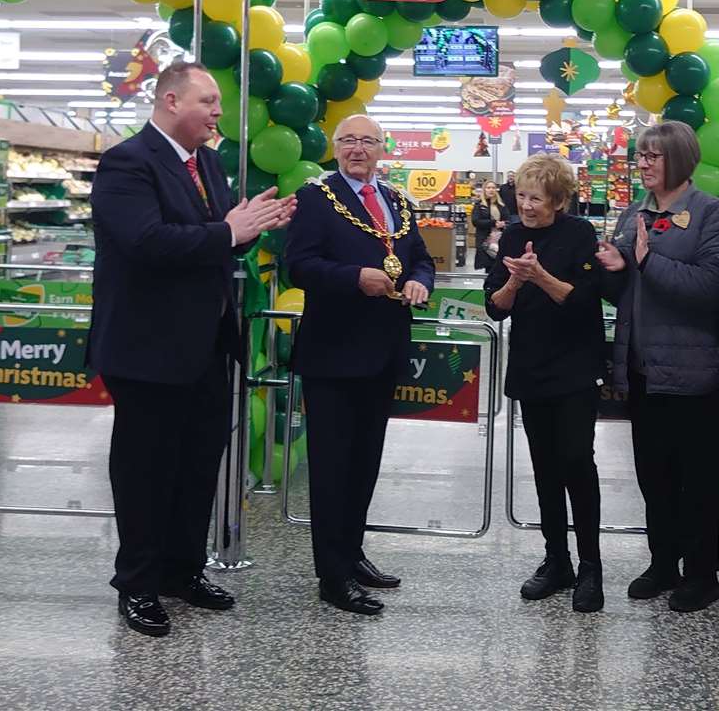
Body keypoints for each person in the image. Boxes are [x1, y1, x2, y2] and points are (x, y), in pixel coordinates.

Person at [89, 61, 295, 638]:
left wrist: (250, 229)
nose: (217, 113)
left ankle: (182, 569)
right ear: (172, 100)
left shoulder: (206, 162)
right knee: (145, 468)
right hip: (145, 346)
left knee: (198, 462)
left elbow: (210, 246)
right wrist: (230, 231)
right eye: (208, 102)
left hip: (205, 342)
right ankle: (136, 583)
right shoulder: (127, 162)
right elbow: (145, 242)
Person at [285, 114, 435, 616]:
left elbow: (421, 258)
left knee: (365, 463)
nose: (357, 149)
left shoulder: (395, 201)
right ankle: (332, 577)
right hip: (333, 354)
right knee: (331, 469)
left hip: (384, 349)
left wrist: (420, 282)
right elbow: (299, 264)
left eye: (367, 141)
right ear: (334, 146)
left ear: (381, 149)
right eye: (348, 140)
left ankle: (352, 553)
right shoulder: (316, 197)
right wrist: (354, 278)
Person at [596, 121, 719, 613]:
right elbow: (625, 292)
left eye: (653, 155)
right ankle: (663, 564)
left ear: (679, 159)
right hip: (642, 368)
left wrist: (646, 258)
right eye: (640, 155)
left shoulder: (711, 216)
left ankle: (703, 575)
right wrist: (614, 269)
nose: (644, 163)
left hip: (694, 372)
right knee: (652, 476)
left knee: (695, 481)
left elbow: (709, 289)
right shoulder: (633, 213)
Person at [484, 154, 607, 612]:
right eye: (521, 196)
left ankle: (591, 566)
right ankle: (557, 560)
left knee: (577, 459)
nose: (527, 206)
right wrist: (515, 283)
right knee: (544, 467)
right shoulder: (512, 235)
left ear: (558, 199)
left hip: (575, 365)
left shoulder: (580, 234)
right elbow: (495, 306)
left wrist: (540, 275)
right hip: (531, 365)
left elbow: (582, 300)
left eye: (536, 197)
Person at [470, 180, 510, 271]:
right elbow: (475, 221)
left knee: (499, 266)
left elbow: (508, 220)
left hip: (500, 240)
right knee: (488, 266)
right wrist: (493, 223)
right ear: (484, 190)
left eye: (493, 188)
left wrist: (504, 224)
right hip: (485, 241)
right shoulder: (479, 205)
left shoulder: (501, 205)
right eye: (488, 188)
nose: (491, 190)